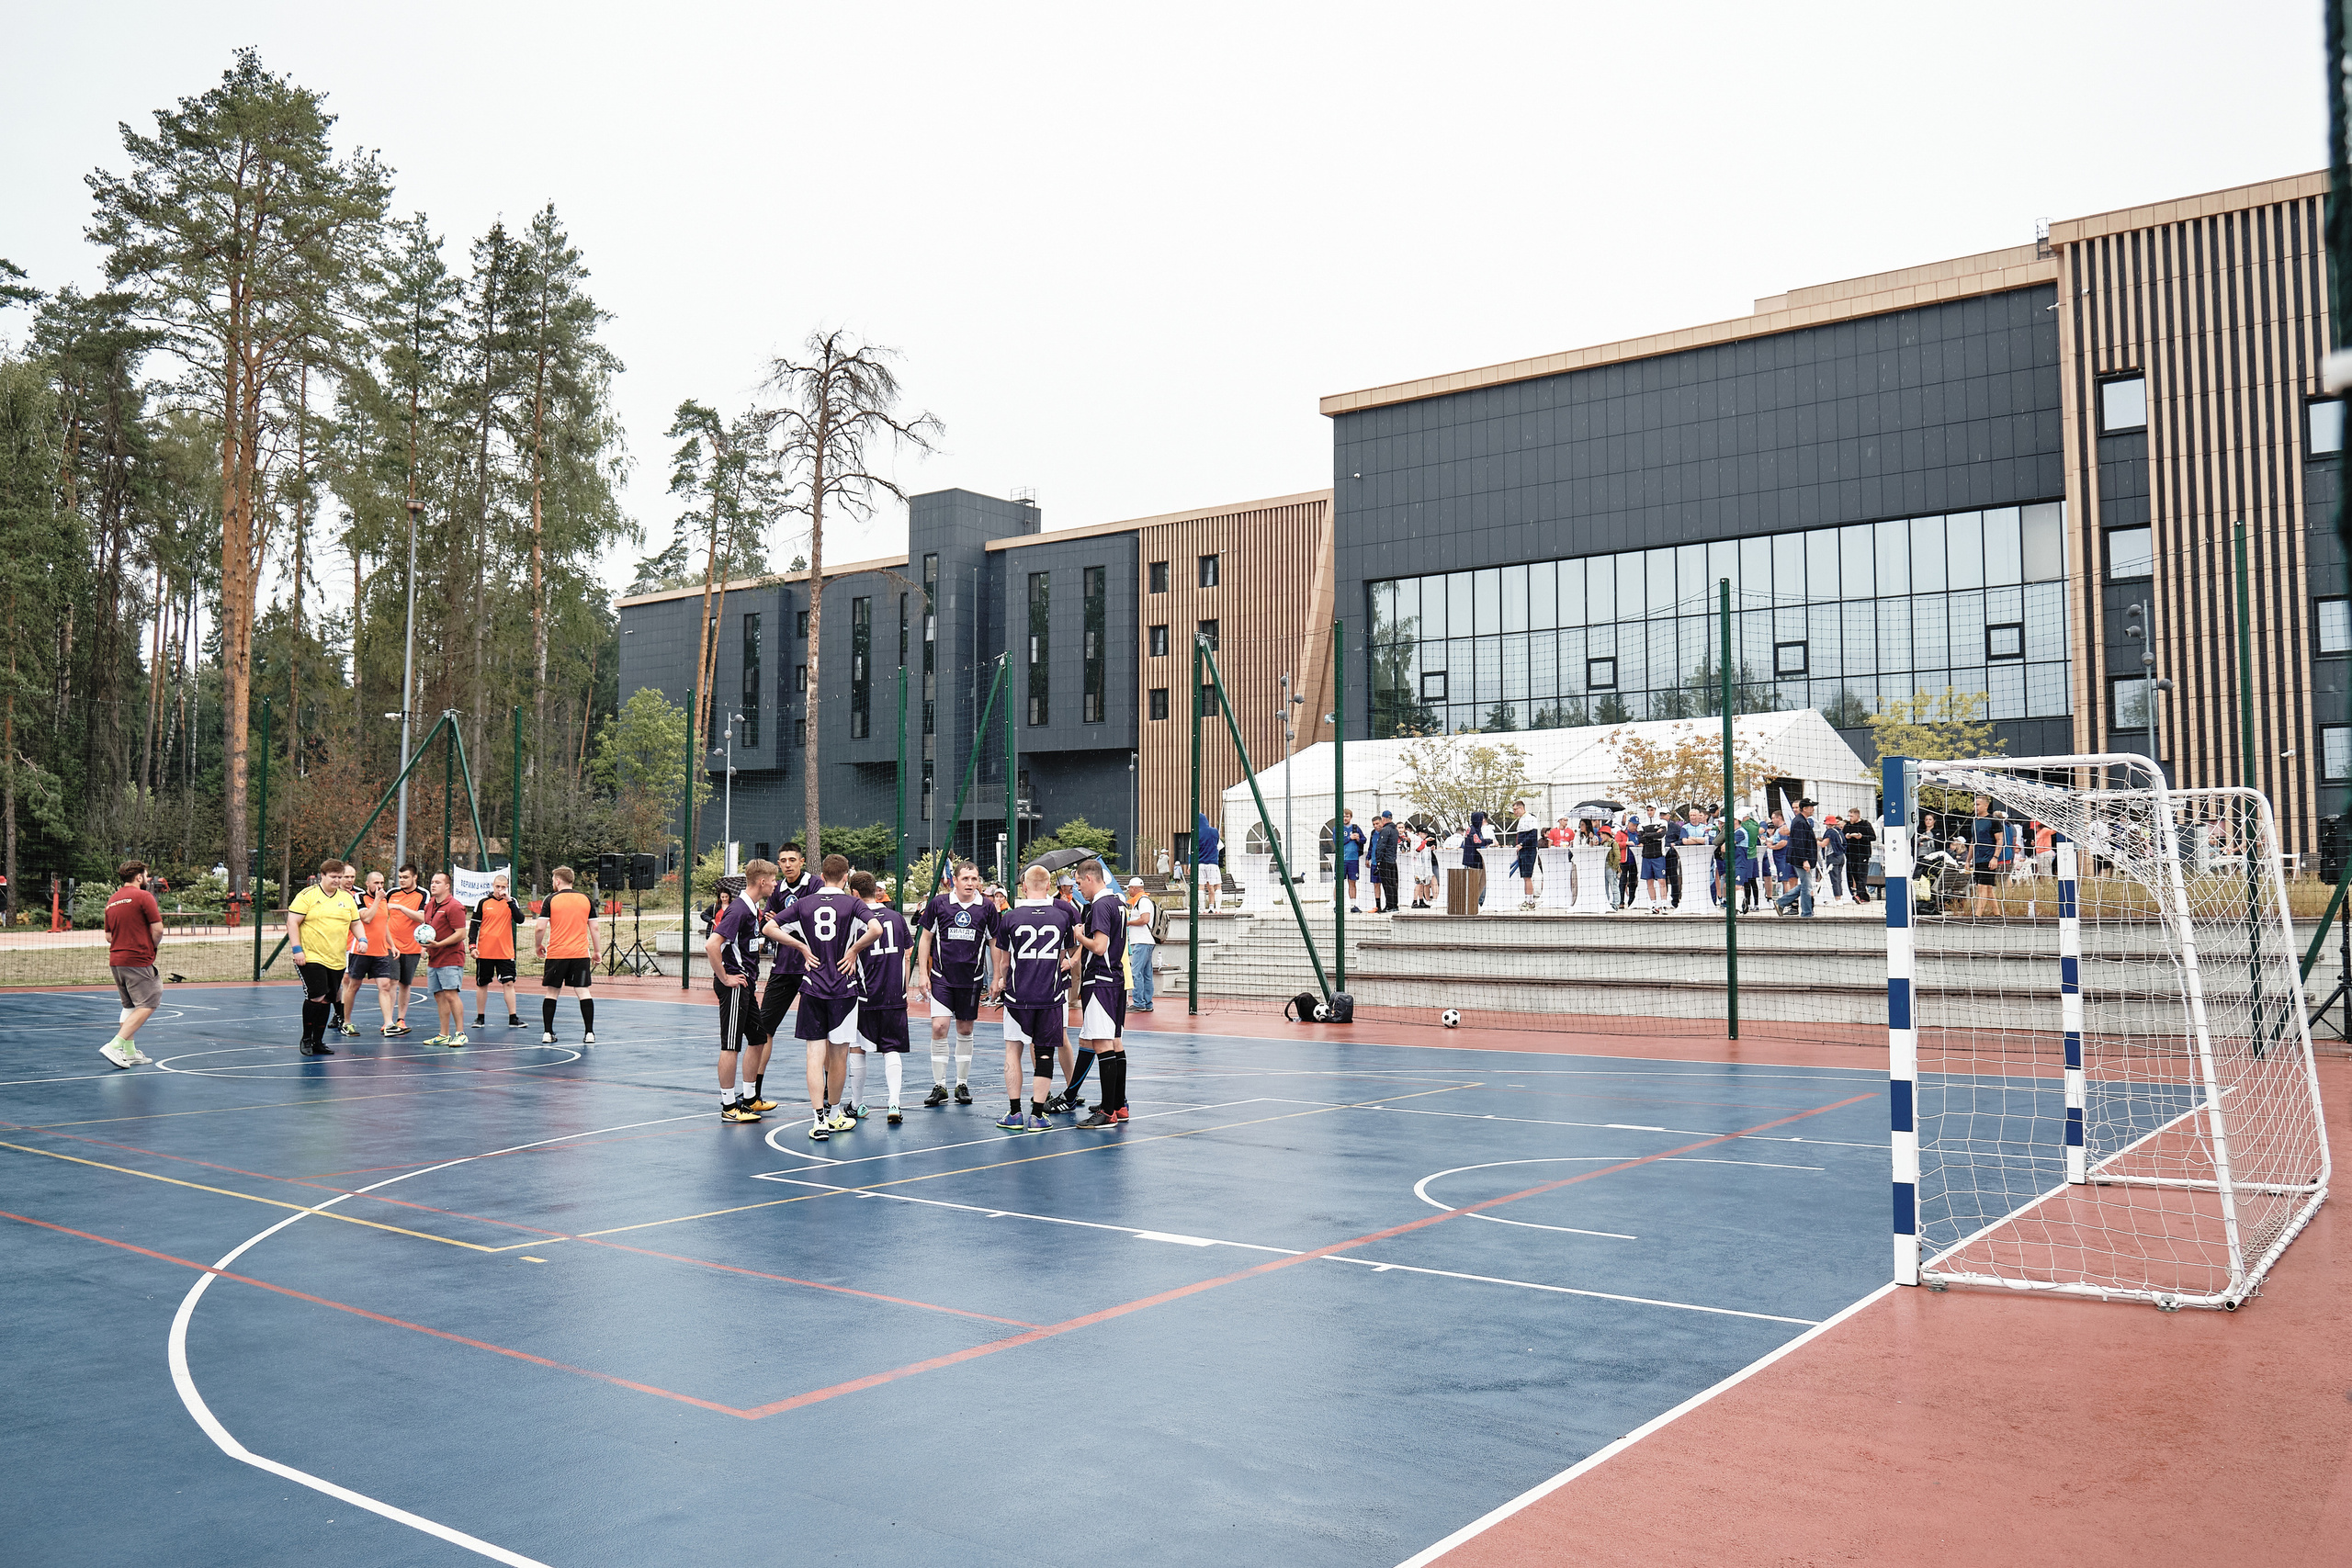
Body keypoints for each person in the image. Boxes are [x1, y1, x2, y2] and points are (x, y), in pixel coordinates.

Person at [765, 853, 865, 1141]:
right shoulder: (852, 903)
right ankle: (834, 1114)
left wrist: (799, 946)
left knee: (813, 1054)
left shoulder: (804, 904)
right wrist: (853, 951)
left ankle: (818, 1119)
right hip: (844, 989)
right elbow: (876, 928)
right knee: (838, 1056)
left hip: (812, 986)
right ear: (846, 876)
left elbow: (768, 927)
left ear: (821, 875)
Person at [986, 863, 1080, 1133]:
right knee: (1046, 1053)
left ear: (1024, 887)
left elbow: (1004, 962)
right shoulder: (1061, 916)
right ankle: (1037, 1115)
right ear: (1049, 886)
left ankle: (1015, 1112)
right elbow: (1075, 948)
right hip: (1050, 995)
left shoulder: (1011, 917)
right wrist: (1071, 961)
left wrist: (1001, 980)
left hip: (1018, 995)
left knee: (1013, 1050)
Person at [912, 860, 990, 1104]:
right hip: (942, 977)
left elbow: (995, 942)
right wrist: (923, 974)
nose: (970, 883)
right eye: (965, 878)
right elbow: (925, 938)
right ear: (954, 881)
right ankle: (939, 1085)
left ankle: (961, 1084)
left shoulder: (986, 907)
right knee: (939, 1027)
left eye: (974, 878)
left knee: (965, 1030)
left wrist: (998, 976)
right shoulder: (939, 904)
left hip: (972, 979)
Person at [706, 856, 776, 1122]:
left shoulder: (751, 909)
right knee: (731, 1045)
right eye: (772, 880)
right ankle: (728, 1106)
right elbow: (712, 945)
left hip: (746, 985)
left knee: (758, 1039)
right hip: (735, 985)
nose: (775, 884)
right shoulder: (738, 910)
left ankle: (750, 1098)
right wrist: (725, 978)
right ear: (761, 882)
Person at [842, 870, 916, 1123]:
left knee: (857, 1047)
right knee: (891, 1048)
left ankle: (857, 1104)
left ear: (854, 894)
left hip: (865, 994)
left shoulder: (854, 920)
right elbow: (908, 951)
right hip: (895, 993)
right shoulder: (896, 918)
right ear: (875, 891)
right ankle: (894, 1102)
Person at [751, 845, 816, 1115]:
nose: (788, 865)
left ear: (801, 861)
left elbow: (812, 922)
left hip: (812, 966)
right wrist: (779, 923)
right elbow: (769, 923)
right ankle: (754, 1092)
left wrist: (783, 922)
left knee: (819, 1033)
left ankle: (825, 1097)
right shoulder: (777, 890)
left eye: (792, 860)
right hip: (782, 967)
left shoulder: (815, 885)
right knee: (764, 1028)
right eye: (783, 861)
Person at [1070, 858, 1131, 1128]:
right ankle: (1119, 1103)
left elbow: (1099, 946)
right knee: (1115, 1041)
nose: (1078, 888)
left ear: (1090, 878)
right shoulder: (1119, 902)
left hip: (1101, 980)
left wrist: (1078, 935)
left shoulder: (1100, 905)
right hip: (1115, 980)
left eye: (1079, 882)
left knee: (1101, 1043)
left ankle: (1108, 1113)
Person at [286, 859, 357, 1058]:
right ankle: (306, 1038)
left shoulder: (347, 898)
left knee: (327, 999)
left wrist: (363, 938)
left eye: (339, 877)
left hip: (335, 957)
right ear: (323, 876)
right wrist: (297, 949)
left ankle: (318, 1040)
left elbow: (356, 922)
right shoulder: (307, 896)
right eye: (333, 877)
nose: (337, 880)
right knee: (316, 996)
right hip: (311, 955)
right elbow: (292, 922)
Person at [99, 861, 166, 1068]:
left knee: (130, 1006)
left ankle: (129, 1052)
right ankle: (114, 1045)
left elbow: (109, 937)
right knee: (149, 1002)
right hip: (137, 959)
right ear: (139, 876)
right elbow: (158, 930)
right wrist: (150, 947)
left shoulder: (112, 900)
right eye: (145, 875)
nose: (147, 879)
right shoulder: (144, 897)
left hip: (117, 961)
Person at [535, 866, 600, 1043]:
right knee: (583, 991)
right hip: (579, 953)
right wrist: (597, 951)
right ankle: (589, 1033)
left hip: (557, 953)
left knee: (552, 992)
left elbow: (540, 927)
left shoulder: (551, 899)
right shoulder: (586, 899)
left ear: (557, 880)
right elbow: (594, 927)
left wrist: (538, 945)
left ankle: (548, 1033)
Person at [468, 872, 527, 1029]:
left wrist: (509, 901)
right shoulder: (483, 902)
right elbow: (474, 925)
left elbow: (520, 919)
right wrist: (472, 946)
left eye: (503, 887)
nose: (500, 889)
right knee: (482, 984)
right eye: (498, 886)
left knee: (508, 983)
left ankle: (513, 1017)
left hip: (505, 952)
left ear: (507, 887)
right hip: (485, 951)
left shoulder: (511, 902)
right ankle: (480, 1017)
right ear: (493, 886)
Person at [416, 872, 469, 1046]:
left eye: (438, 882)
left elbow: (461, 933)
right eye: (432, 882)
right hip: (435, 956)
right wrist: (425, 946)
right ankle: (443, 1034)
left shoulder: (455, 906)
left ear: (447, 886)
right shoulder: (429, 905)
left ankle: (460, 1033)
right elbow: (428, 929)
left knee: (451, 994)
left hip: (451, 957)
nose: (433, 885)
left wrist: (440, 944)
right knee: (439, 995)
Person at [348, 869, 403, 1035]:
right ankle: (346, 1021)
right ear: (367, 884)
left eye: (382, 883)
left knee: (385, 986)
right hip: (361, 950)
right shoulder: (359, 898)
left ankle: (388, 1024)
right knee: (354, 986)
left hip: (380, 951)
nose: (379, 886)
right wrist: (378, 900)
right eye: (376, 883)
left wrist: (392, 945)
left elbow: (383, 924)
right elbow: (366, 918)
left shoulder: (383, 900)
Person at [382, 863, 430, 1034]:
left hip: (412, 946)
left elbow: (422, 917)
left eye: (405, 877)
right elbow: (381, 913)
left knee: (405, 983)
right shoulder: (391, 893)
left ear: (414, 877)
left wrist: (400, 907)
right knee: (391, 982)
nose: (401, 880)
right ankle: (388, 1021)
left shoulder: (423, 894)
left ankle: (400, 1019)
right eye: (400, 877)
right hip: (391, 945)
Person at [1777, 799, 1820, 918]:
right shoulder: (1800, 822)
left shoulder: (1802, 821)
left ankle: (1782, 902)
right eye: (1811, 807)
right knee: (1806, 886)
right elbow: (1799, 843)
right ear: (1805, 808)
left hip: (1802, 858)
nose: (1813, 809)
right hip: (1801, 859)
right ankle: (1806, 913)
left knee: (1806, 884)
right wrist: (1804, 860)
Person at [1123, 876, 1159, 1011]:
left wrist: (1129, 922)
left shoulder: (1142, 901)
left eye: (1130, 888)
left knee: (1136, 972)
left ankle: (1139, 1003)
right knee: (1146, 973)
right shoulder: (1144, 900)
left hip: (1142, 941)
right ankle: (1147, 1003)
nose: (1129, 891)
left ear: (1134, 888)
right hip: (1147, 941)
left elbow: (1145, 919)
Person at [1970, 795, 2002, 918]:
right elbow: (1973, 842)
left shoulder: (1993, 821)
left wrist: (1995, 857)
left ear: (1986, 806)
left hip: (1988, 859)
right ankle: (1997, 913)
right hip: (1977, 859)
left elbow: (1999, 840)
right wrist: (1968, 860)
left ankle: (1977, 915)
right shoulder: (1974, 821)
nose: (1975, 807)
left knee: (1982, 887)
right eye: (1974, 804)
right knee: (1987, 888)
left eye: (1977, 804)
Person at [1509, 799, 1542, 910]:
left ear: (1521, 808)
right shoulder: (1521, 820)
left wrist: (1522, 844)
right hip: (1522, 851)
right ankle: (1527, 899)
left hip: (1528, 850)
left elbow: (1533, 835)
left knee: (1527, 876)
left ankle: (1530, 901)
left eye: (1515, 809)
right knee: (1524, 876)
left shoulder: (1531, 818)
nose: (1514, 812)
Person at [1636, 813, 1670, 914]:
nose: (1650, 812)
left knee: (1661, 881)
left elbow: (1660, 835)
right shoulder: (1642, 824)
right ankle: (1653, 905)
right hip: (1646, 856)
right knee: (1649, 881)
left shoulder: (1662, 822)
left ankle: (1664, 904)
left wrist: (1647, 835)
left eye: (1652, 810)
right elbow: (1641, 839)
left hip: (1658, 856)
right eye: (1648, 810)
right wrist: (1653, 835)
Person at [1843, 808, 1876, 905]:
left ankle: (1859, 895)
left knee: (1862, 874)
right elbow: (1843, 835)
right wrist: (1847, 837)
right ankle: (1864, 896)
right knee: (1855, 874)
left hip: (1863, 853)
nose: (1850, 818)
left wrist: (1862, 837)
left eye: (1851, 816)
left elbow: (1873, 837)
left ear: (1857, 816)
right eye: (1849, 816)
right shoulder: (1848, 825)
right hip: (1851, 853)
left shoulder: (1865, 824)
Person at [1371, 811, 1401, 914]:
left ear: (1383, 819)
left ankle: (1389, 906)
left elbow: (1381, 846)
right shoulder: (1395, 830)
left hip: (1385, 861)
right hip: (1393, 860)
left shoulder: (1385, 830)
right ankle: (1394, 905)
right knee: (1393, 884)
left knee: (1387, 884)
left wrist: (1378, 860)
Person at [1340, 808, 1366, 912]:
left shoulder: (1355, 828)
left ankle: (1353, 905)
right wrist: (1349, 838)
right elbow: (1337, 842)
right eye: (1343, 816)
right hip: (1342, 860)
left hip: (1353, 859)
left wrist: (1358, 838)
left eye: (1347, 816)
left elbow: (1364, 839)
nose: (1345, 818)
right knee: (1339, 882)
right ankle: (1336, 905)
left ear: (1350, 817)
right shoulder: (1337, 828)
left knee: (1352, 882)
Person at [1823, 813, 1848, 904]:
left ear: (1828, 824)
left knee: (1834, 878)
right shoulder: (1839, 831)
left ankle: (1837, 899)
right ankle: (1840, 897)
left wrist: (1814, 841)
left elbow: (1824, 844)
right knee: (1839, 878)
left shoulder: (1830, 832)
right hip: (1841, 856)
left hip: (1833, 857)